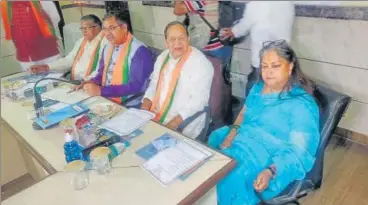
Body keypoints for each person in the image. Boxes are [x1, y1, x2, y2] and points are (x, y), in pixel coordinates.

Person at [208, 40, 320, 205]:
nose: (268, 72)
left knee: (226, 179)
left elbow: (299, 153)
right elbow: (243, 113)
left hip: (267, 160)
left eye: (275, 66)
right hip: (240, 142)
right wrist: (232, 134)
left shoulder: (302, 106)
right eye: (264, 66)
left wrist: (270, 171)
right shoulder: (258, 88)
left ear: (290, 67)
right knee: (207, 166)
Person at [141, 21, 214, 139]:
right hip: (156, 114)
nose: (177, 43)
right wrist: (144, 108)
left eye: (181, 38)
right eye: (172, 39)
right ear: (166, 42)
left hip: (184, 121)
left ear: (188, 39)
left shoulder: (201, 64)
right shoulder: (162, 57)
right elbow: (154, 83)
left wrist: (171, 125)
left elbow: (198, 101)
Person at [74, 12, 154, 105]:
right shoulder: (107, 47)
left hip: (127, 103)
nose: (107, 33)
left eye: (111, 28)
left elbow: (136, 86)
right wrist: (88, 83)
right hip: (105, 97)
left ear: (124, 28)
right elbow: (101, 74)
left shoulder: (139, 51)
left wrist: (101, 91)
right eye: (104, 29)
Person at [220, 1, 295, 96]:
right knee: (277, 89)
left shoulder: (257, 3)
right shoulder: (287, 3)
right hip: (282, 55)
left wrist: (234, 31)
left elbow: (246, 23)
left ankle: (250, 108)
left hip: (263, 56)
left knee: (255, 85)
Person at [30, 14, 107, 81]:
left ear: (98, 26)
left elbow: (101, 69)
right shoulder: (82, 41)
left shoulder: (105, 42)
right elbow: (69, 60)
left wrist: (86, 81)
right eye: (82, 28)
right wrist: (47, 67)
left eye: (87, 28)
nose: (84, 31)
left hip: (91, 82)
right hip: (75, 80)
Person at [1, 1, 62, 71]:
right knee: (30, 80)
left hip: (48, 53)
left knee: (54, 77)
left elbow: (54, 19)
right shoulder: (5, 4)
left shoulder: (44, 2)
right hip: (24, 55)